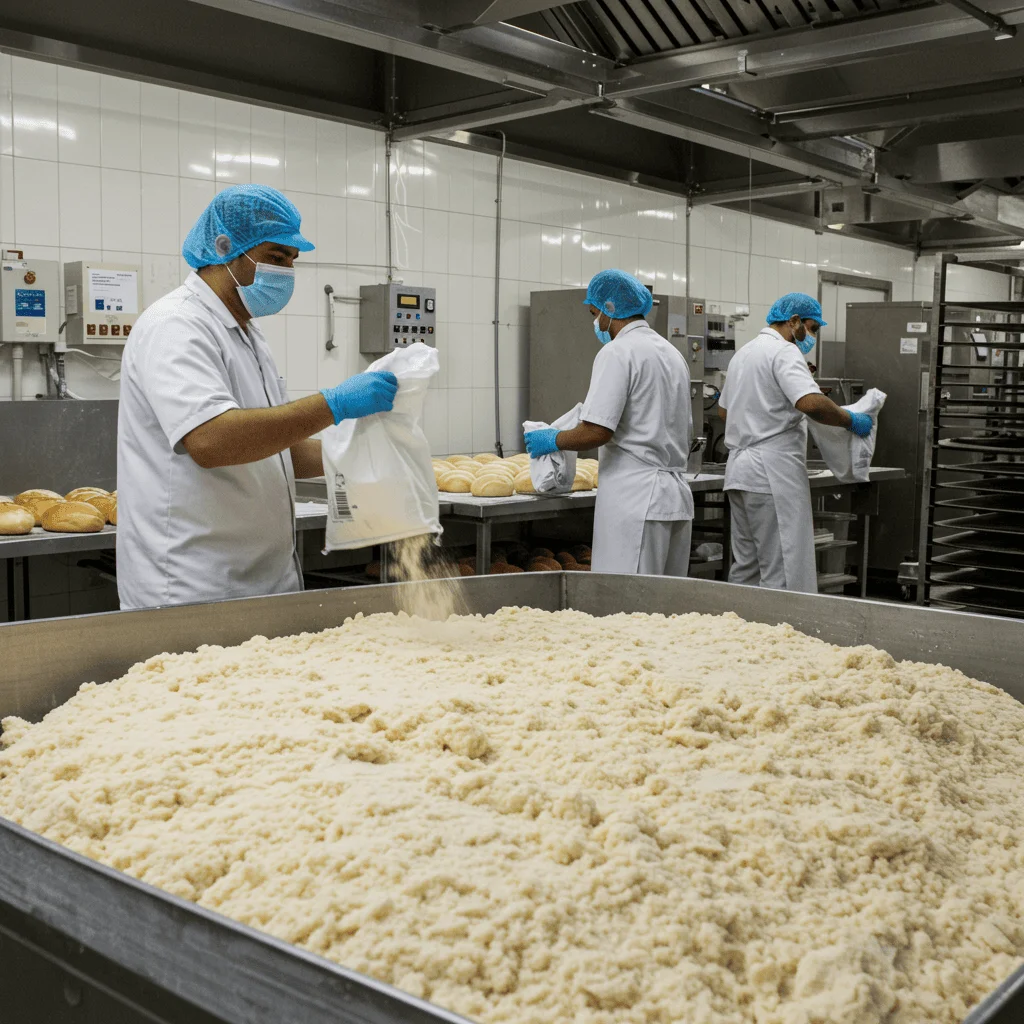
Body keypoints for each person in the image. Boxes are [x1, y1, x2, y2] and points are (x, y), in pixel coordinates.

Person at [117, 184, 397, 610]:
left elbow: (275, 448)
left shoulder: (247, 331)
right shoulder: (175, 326)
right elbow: (212, 441)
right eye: (275, 257)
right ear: (225, 246)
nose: (286, 271)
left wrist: (362, 457)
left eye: (292, 260)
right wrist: (333, 404)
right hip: (194, 583)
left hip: (264, 578)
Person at [524, 269, 693, 576]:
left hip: (636, 499)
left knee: (627, 604)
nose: (595, 322)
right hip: (674, 496)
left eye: (594, 313)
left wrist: (554, 439)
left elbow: (597, 430)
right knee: (668, 608)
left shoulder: (617, 352)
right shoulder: (671, 353)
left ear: (610, 310)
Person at [718, 292, 873, 593]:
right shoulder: (784, 352)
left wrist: (759, 419)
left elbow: (724, 411)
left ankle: (737, 630)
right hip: (771, 474)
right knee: (782, 565)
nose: (812, 336)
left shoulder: (744, 353)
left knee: (747, 566)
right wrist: (849, 419)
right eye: (812, 328)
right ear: (793, 321)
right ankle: (779, 636)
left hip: (740, 472)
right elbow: (812, 403)